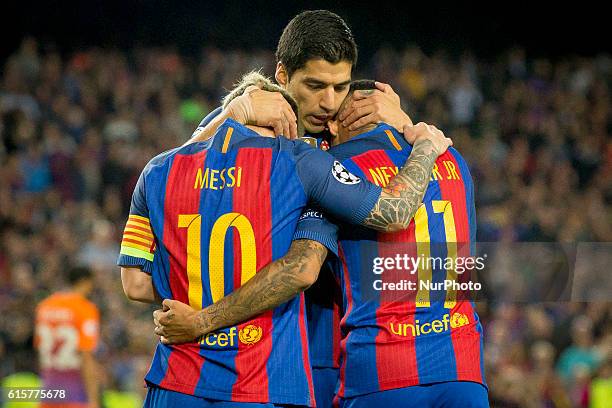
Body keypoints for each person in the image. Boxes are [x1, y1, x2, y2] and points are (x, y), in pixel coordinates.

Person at [118, 71, 450, 407]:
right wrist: (424, 144)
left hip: (174, 383)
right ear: (284, 120)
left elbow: (134, 285)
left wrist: (196, 283)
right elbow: (392, 213)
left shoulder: (158, 171)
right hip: (260, 384)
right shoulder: (296, 162)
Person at [186, 11, 414, 408]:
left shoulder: (354, 138)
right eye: (314, 85)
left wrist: (407, 129)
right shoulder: (243, 124)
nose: (328, 102)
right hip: (237, 354)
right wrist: (233, 113)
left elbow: (420, 224)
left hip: (331, 359)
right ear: (283, 75)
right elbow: (177, 176)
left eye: (339, 87)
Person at [34, 266, 100, 408]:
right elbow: (85, 355)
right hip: (75, 393)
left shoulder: (44, 306)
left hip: (49, 391)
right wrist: (93, 400)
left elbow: (41, 350)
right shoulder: (85, 309)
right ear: (85, 282)